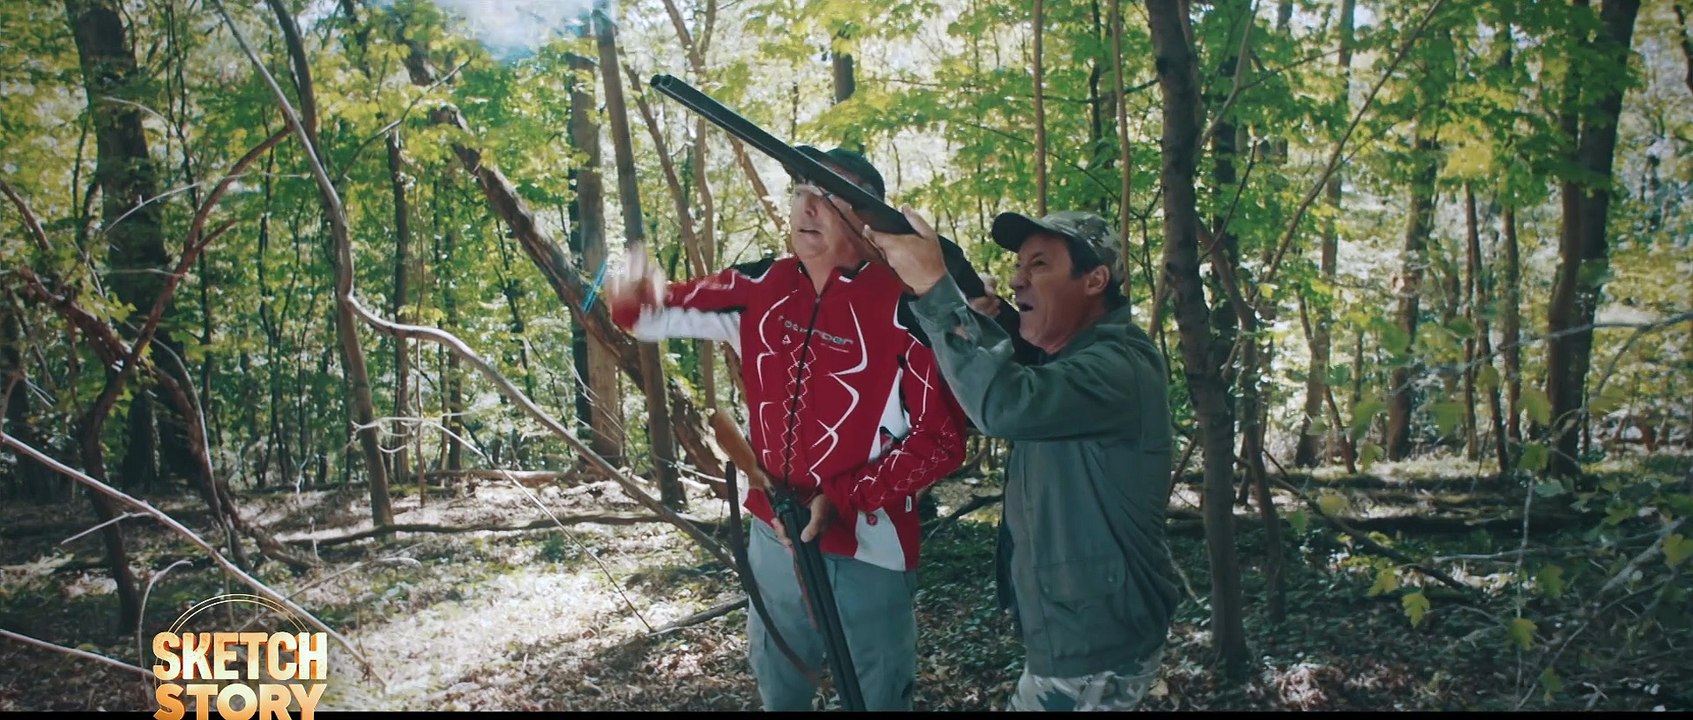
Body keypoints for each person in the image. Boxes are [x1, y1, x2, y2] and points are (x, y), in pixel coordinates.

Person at [603, 146, 968, 711]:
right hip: (774, 533)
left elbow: (941, 441)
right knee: (781, 682)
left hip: (871, 540)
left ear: (870, 221)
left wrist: (844, 496)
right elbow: (648, 313)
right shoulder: (758, 286)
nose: (809, 207)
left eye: (830, 196)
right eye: (802, 192)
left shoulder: (910, 307)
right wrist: (629, 291)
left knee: (876, 692)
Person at [864, 206, 1179, 711]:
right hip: (1079, 634)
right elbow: (1005, 392)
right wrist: (985, 327)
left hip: (1095, 646)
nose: (1016, 280)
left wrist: (936, 291)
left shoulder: (1121, 366)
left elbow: (1005, 405)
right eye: (1018, 266)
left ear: (1095, 279)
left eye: (1038, 265)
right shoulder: (1070, 361)